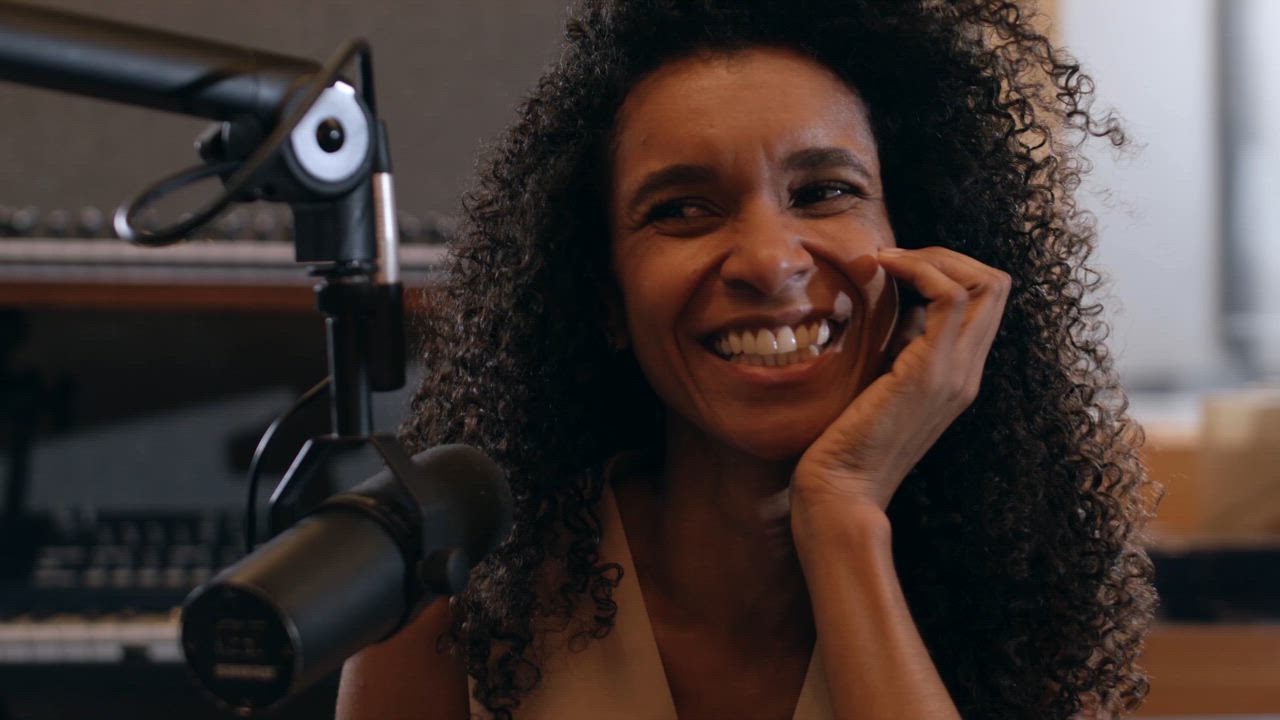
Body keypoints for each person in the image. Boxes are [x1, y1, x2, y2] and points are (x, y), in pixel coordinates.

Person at [336, 1, 1158, 718]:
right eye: (683, 209)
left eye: (825, 191)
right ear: (605, 299)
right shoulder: (453, 602)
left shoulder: (1019, 605)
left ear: (921, 243)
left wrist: (842, 514)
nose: (769, 262)